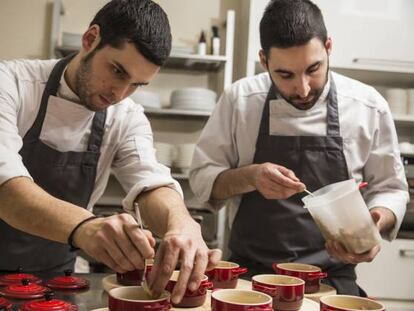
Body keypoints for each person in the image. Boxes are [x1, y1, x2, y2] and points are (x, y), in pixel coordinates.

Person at [0, 0, 221, 304]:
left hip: (56, 284)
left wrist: (180, 222)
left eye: (136, 85)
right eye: (117, 70)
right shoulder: (11, 84)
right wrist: (85, 227)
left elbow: (150, 181)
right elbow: (6, 187)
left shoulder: (125, 116)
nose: (119, 94)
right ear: (90, 39)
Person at [189, 0, 408, 296]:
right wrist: (250, 177)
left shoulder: (367, 106)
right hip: (251, 276)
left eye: (313, 69)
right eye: (286, 75)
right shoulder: (240, 100)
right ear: (264, 60)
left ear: (329, 47)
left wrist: (375, 222)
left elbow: (391, 189)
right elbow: (202, 179)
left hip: (331, 278)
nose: (303, 89)